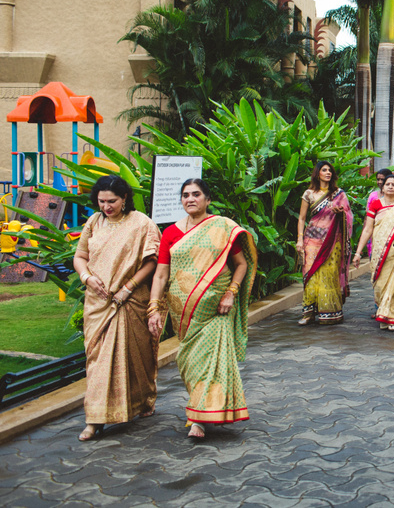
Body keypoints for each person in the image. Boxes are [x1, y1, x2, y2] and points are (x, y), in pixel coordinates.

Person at [148, 179, 257, 440]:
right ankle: (204, 408)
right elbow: (161, 274)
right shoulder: (171, 233)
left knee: (211, 362)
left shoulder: (222, 228)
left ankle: (197, 418)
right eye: (185, 195)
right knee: (190, 362)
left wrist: (231, 292)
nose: (190, 199)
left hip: (218, 308)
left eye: (196, 194)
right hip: (183, 310)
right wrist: (154, 307)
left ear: (208, 199)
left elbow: (241, 264)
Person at [73, 175, 161, 442]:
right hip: (98, 303)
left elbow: (152, 262)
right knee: (98, 361)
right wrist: (87, 277)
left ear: (124, 199)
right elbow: (80, 257)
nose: (106, 207)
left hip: (130, 301)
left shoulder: (142, 224)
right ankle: (95, 419)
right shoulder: (93, 222)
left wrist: (127, 288)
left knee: (137, 357)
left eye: (112, 201)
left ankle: (141, 401)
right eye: (101, 201)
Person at [352, 174, 394, 330]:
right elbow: (368, 229)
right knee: (380, 284)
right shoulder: (375, 205)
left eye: (393, 184)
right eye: (387, 184)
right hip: (380, 250)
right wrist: (358, 252)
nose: (390, 187)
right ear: (382, 187)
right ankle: (384, 313)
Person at [296, 161, 353, 326]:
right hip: (311, 239)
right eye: (324, 170)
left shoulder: (339, 194)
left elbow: (348, 215)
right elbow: (301, 218)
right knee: (310, 274)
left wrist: (340, 213)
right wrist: (299, 239)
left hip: (332, 240)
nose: (328, 173)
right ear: (317, 173)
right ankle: (308, 313)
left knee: (328, 275)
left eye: (330, 170)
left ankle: (329, 312)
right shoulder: (308, 194)